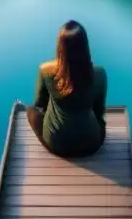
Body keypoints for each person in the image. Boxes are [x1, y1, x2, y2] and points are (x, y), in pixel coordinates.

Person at [26, 19, 108, 158]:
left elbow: (40, 104)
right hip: (91, 143)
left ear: (60, 46)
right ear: (85, 45)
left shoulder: (46, 71)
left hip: (57, 144)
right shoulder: (99, 74)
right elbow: (99, 110)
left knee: (31, 111)